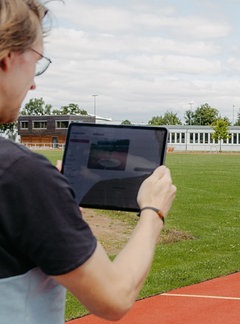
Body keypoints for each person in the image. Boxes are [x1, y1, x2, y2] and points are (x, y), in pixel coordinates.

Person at [0, 1, 177, 322]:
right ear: (8, 57)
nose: (34, 82)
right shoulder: (19, 174)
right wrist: (154, 211)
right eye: (37, 62)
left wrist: (54, 211)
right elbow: (114, 297)